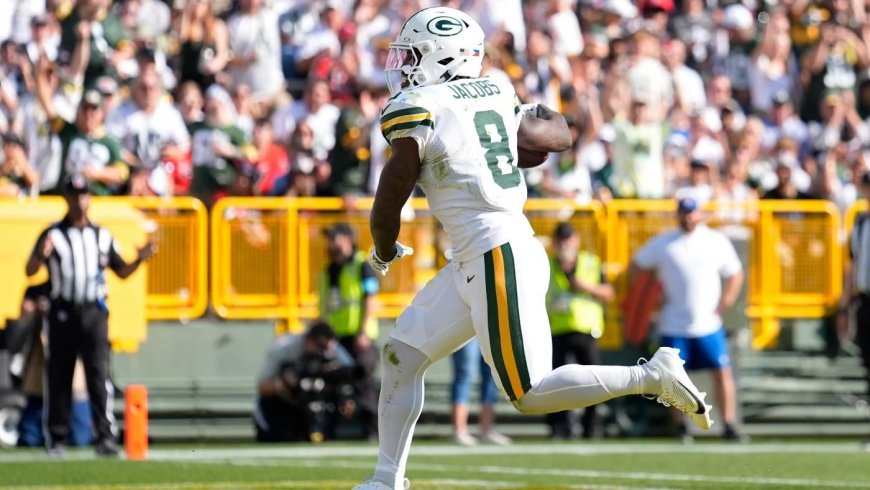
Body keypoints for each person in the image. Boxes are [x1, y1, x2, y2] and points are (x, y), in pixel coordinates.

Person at [354, 8, 712, 490]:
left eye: (414, 55)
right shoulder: (496, 89)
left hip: (496, 254)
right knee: (402, 355)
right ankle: (386, 480)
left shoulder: (423, 104)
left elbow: (392, 185)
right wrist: (507, 132)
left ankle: (652, 376)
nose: (405, 65)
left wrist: (382, 245)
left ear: (443, 56)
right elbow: (557, 135)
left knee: (528, 392)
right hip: (477, 255)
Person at [24, 175, 156, 456]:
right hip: (62, 311)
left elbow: (121, 271)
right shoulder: (53, 235)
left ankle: (105, 437)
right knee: (59, 374)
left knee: (98, 374)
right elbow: (30, 270)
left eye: (83, 194)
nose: (79, 199)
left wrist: (141, 258)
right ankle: (56, 438)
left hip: (94, 312)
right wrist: (40, 256)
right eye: (74, 194)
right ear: (67, 198)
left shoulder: (102, 235)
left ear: (89, 198)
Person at [630, 197, 746, 443]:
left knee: (722, 371)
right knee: (674, 378)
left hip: (708, 323)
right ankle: (681, 426)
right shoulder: (664, 243)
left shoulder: (715, 240)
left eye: (693, 213)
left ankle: (728, 423)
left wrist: (725, 303)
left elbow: (735, 273)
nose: (689, 217)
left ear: (700, 214)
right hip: (674, 322)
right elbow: (637, 266)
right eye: (685, 213)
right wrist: (650, 295)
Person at [546, 222, 614, 440]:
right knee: (555, 384)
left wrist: (585, 286)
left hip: (586, 331)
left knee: (593, 383)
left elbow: (608, 293)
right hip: (557, 330)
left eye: (568, 238)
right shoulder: (546, 265)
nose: (565, 243)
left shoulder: (590, 263)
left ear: (576, 240)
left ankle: (590, 426)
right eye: (561, 239)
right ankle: (560, 427)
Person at [318, 223, 379, 441]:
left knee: (364, 381)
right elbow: (325, 308)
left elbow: (370, 299)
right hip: (336, 339)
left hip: (359, 337)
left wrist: (363, 332)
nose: (331, 243)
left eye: (335, 237)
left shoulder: (361, 264)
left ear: (348, 239)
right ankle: (329, 431)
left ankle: (371, 432)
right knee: (330, 383)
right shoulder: (328, 271)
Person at [254, 321, 357, 443]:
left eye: (326, 348)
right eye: (319, 347)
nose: (322, 353)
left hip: (319, 405)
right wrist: (284, 383)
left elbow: (352, 373)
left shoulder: (334, 350)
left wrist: (347, 397)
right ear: (308, 340)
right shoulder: (284, 347)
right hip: (283, 405)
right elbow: (262, 387)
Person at [449, 338, 511, 446]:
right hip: (466, 330)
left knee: (491, 374)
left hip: (487, 330)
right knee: (465, 373)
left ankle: (486, 430)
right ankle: (459, 430)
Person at [842, 172, 870, 403]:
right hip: (864, 299)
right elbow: (852, 264)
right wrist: (846, 303)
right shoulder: (860, 223)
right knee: (867, 358)